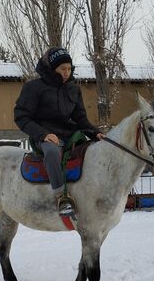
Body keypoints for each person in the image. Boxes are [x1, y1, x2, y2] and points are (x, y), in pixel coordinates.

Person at [14, 47, 105, 217]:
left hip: (70, 134)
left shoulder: (73, 89)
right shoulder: (33, 88)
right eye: (62, 69)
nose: (66, 72)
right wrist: (43, 134)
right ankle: (61, 198)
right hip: (45, 135)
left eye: (69, 69)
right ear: (52, 68)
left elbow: (80, 118)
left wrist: (95, 133)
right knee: (52, 152)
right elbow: (21, 117)